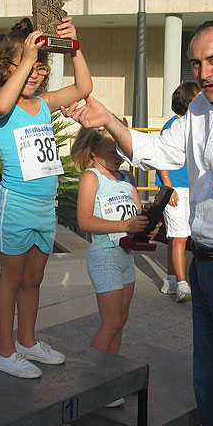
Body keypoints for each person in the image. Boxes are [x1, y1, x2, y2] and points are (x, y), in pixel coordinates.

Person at [62, 20, 213, 426]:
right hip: (206, 266)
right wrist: (110, 122)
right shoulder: (198, 109)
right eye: (196, 63)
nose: (204, 72)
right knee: (212, 390)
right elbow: (159, 150)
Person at [0, 17, 92, 378]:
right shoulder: (1, 106)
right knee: (11, 279)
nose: (34, 73)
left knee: (34, 279)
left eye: (40, 67)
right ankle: (4, 352)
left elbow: (83, 86)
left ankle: (27, 341)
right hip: (15, 205)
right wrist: (29, 57)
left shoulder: (44, 104)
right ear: (5, 67)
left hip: (46, 206)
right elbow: (2, 104)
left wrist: (74, 45)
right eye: (25, 65)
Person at [70, 126, 154, 407]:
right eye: (112, 150)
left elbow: (137, 214)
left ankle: (109, 378)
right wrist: (125, 225)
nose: (119, 156)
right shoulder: (91, 177)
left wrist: (149, 223)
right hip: (104, 254)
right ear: (94, 151)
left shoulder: (127, 177)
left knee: (121, 320)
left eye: (121, 149)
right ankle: (89, 382)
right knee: (112, 322)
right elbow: (85, 221)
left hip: (126, 256)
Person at [155, 81, 200, 302]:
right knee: (180, 236)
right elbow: (160, 157)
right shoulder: (174, 125)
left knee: (177, 236)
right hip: (175, 188)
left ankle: (171, 279)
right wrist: (168, 186)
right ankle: (182, 284)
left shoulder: (194, 125)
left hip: (191, 187)